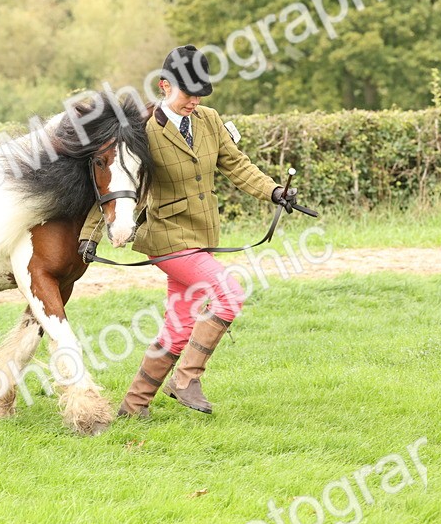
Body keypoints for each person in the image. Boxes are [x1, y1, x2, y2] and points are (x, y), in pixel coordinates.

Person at [77, 45, 297, 418]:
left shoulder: (209, 120)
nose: (194, 101)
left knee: (178, 326)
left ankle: (134, 405)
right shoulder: (143, 130)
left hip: (202, 236)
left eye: (200, 94)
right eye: (188, 93)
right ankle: (186, 379)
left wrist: (274, 191)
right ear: (164, 86)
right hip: (167, 237)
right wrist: (91, 234)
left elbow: (237, 165)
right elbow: (118, 182)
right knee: (230, 294)